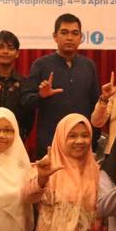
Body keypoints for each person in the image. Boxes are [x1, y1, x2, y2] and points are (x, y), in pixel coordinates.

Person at [21, 13, 101, 156]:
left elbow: (95, 106)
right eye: (64, 32)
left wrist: (93, 139)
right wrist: (41, 96)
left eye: (74, 33)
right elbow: (25, 102)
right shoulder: (41, 65)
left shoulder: (88, 66)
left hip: (82, 144)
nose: (69, 38)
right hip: (50, 143)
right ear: (55, 36)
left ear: (80, 37)